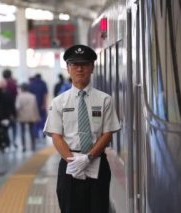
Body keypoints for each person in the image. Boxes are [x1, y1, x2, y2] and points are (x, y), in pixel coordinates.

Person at [43, 44, 121, 212]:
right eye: (74, 65)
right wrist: (73, 161)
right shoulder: (59, 102)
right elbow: (56, 136)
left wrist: (88, 158)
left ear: (92, 67)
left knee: (98, 208)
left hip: (98, 163)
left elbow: (108, 133)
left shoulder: (105, 100)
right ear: (68, 68)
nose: (79, 69)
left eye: (84, 65)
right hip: (68, 165)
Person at [15, 83, 40, 152]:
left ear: (21, 89)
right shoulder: (32, 96)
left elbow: (17, 107)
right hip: (31, 116)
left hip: (21, 116)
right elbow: (35, 107)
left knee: (22, 131)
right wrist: (37, 116)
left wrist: (16, 115)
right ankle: (33, 145)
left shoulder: (19, 96)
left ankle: (24, 146)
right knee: (32, 131)